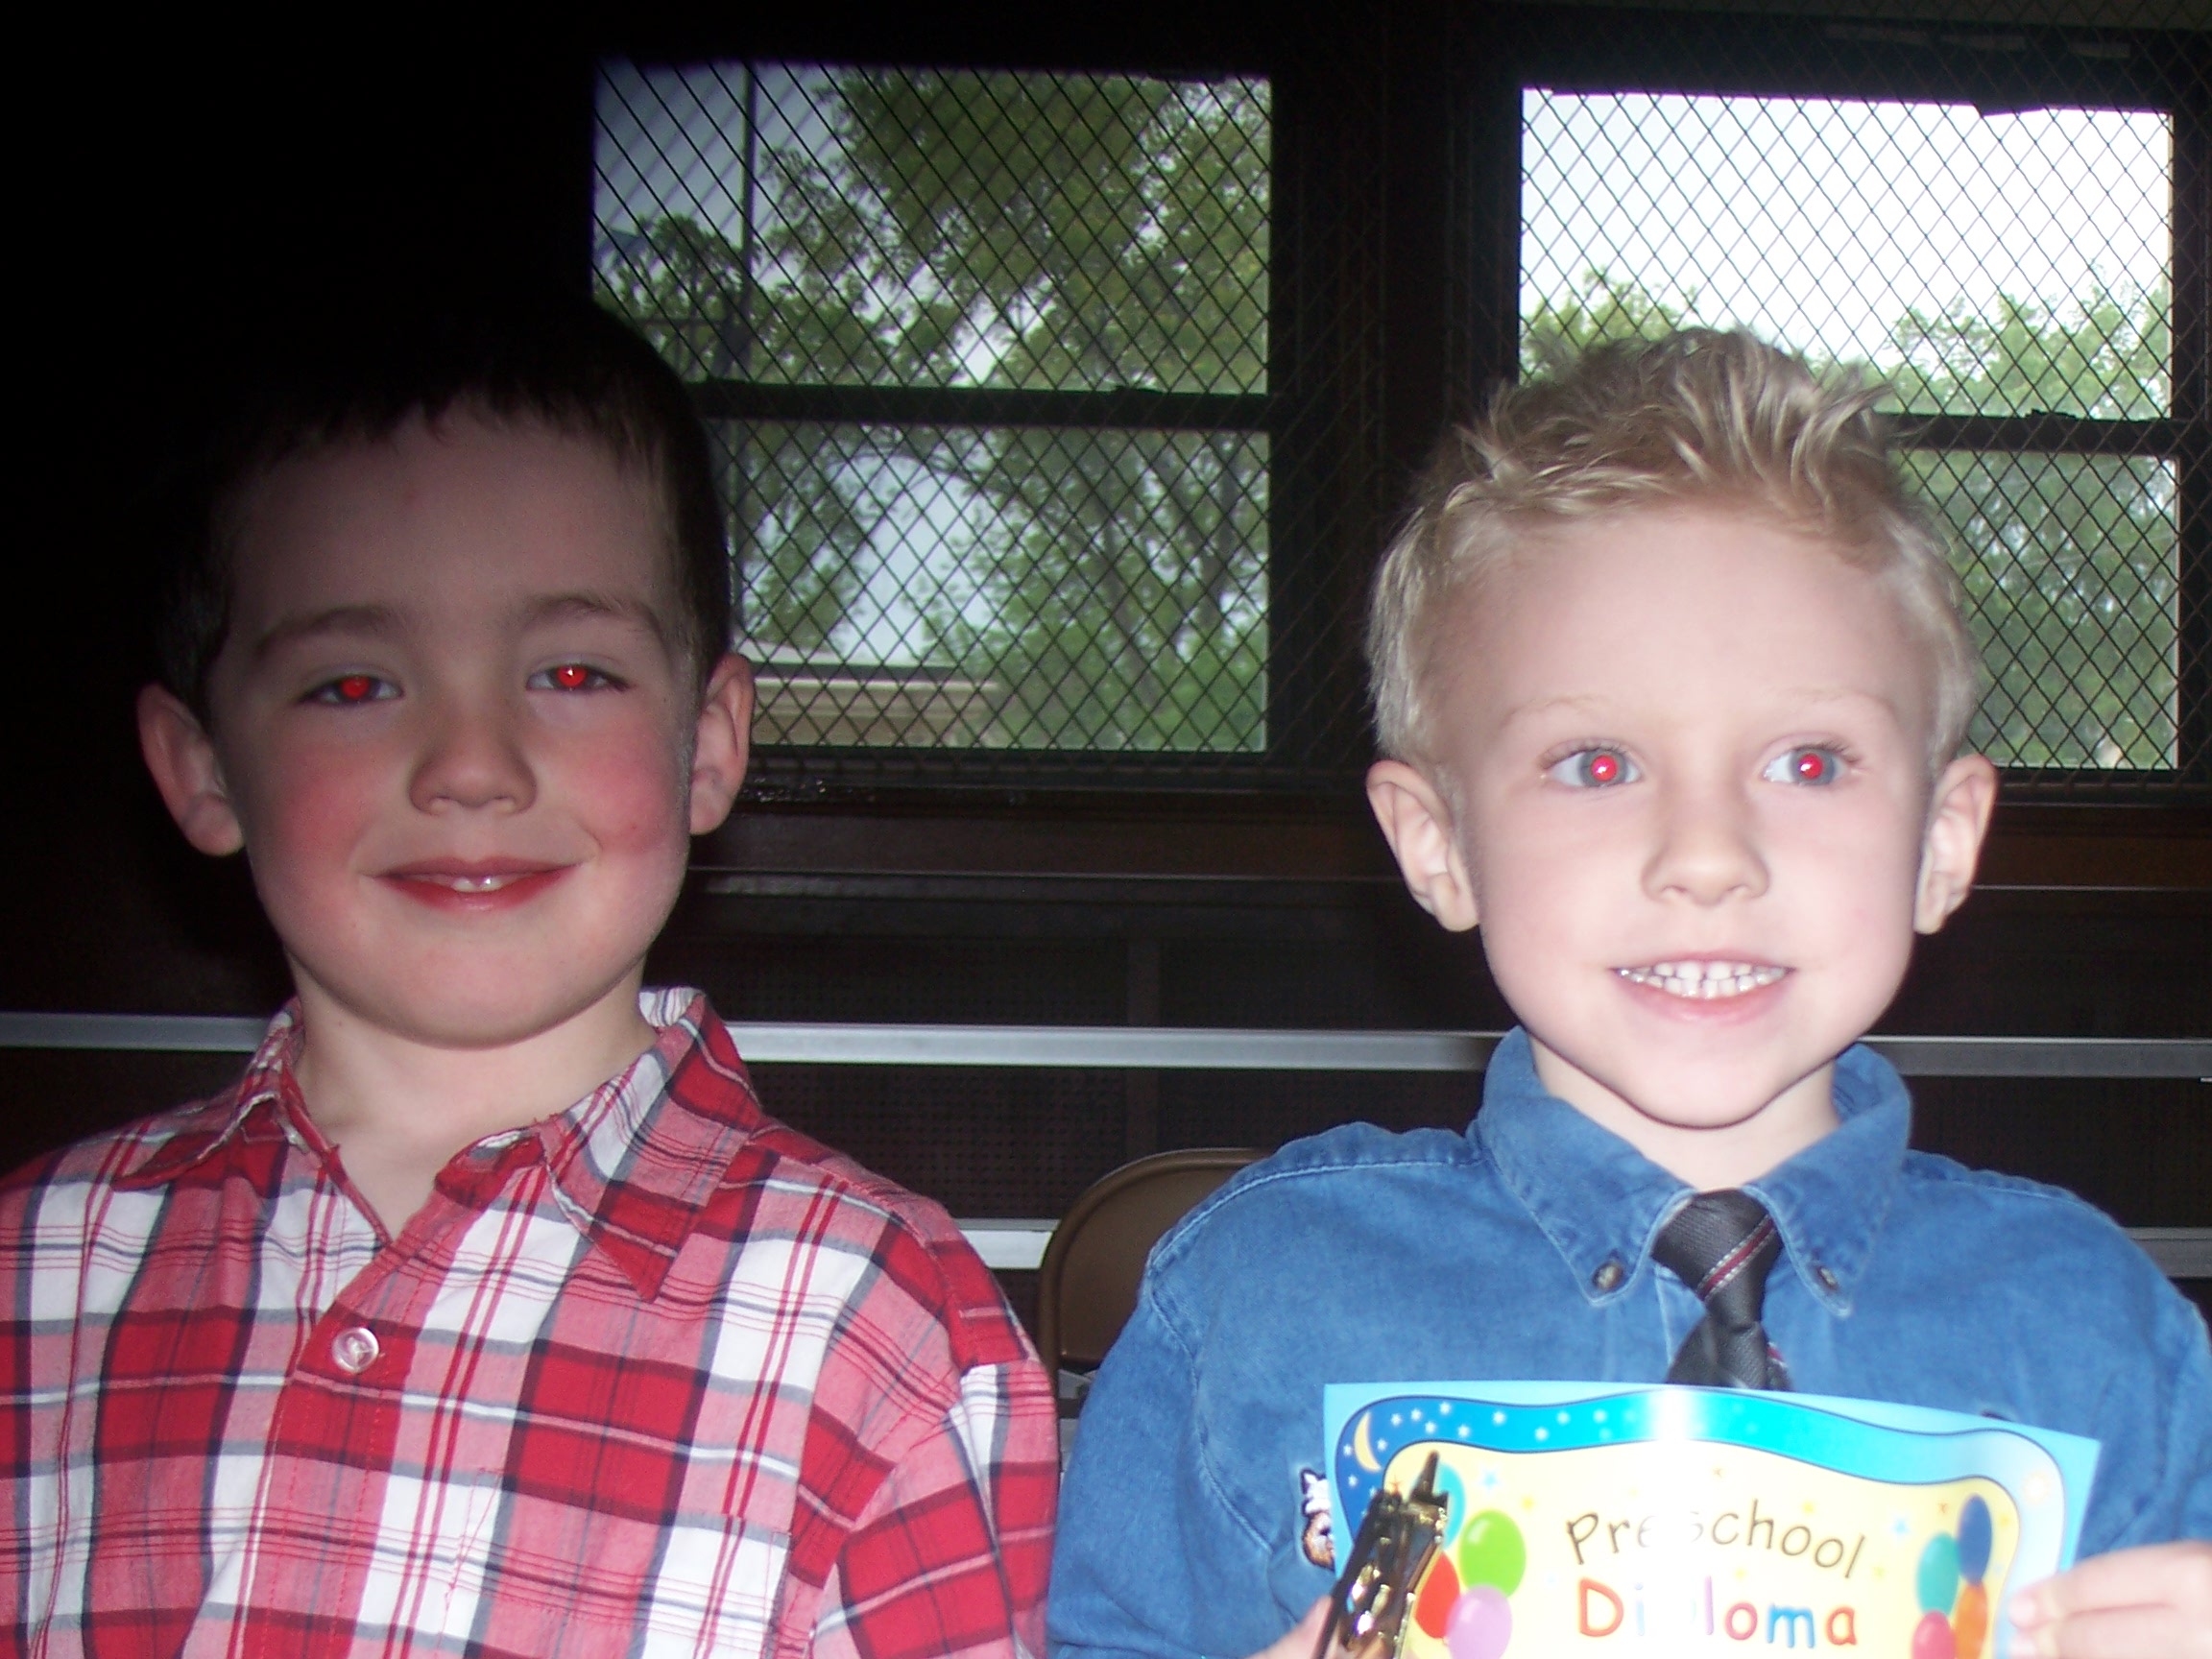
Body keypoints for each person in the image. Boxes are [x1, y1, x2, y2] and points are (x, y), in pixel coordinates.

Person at [1046, 331, 2211, 1659]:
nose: (1707, 857)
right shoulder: (1258, 1298)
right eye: (1597, 765)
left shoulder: (2097, 1333)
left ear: (1943, 842)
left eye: (1811, 763)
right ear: (1438, 842)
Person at [0, 294, 1056, 1656]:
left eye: (570, 671)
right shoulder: (32, 1271)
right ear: (202, 767)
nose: (472, 766)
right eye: (353, 686)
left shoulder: (882, 1329)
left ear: (709, 745)